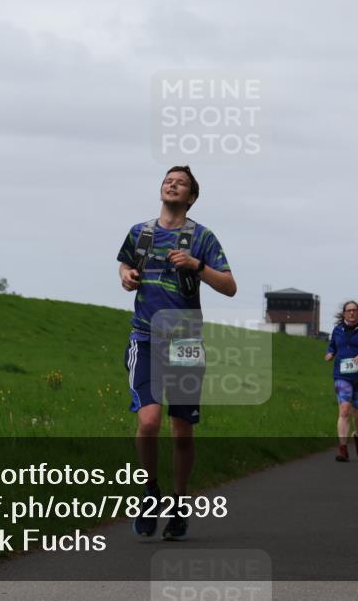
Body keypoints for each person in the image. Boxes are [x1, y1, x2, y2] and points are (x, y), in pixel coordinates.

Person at [117, 165, 236, 540]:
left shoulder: (202, 238)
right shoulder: (141, 233)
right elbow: (124, 265)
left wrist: (197, 266)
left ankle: (180, 502)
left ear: (192, 196)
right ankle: (150, 491)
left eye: (180, 183)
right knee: (149, 421)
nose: (172, 185)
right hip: (146, 337)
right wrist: (125, 275)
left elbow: (230, 286)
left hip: (185, 343)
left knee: (182, 432)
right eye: (168, 180)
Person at [325, 301, 358, 462]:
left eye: (354, 310)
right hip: (342, 375)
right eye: (349, 310)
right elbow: (332, 346)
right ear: (344, 313)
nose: (352, 313)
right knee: (344, 410)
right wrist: (330, 353)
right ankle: (342, 448)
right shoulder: (337, 330)